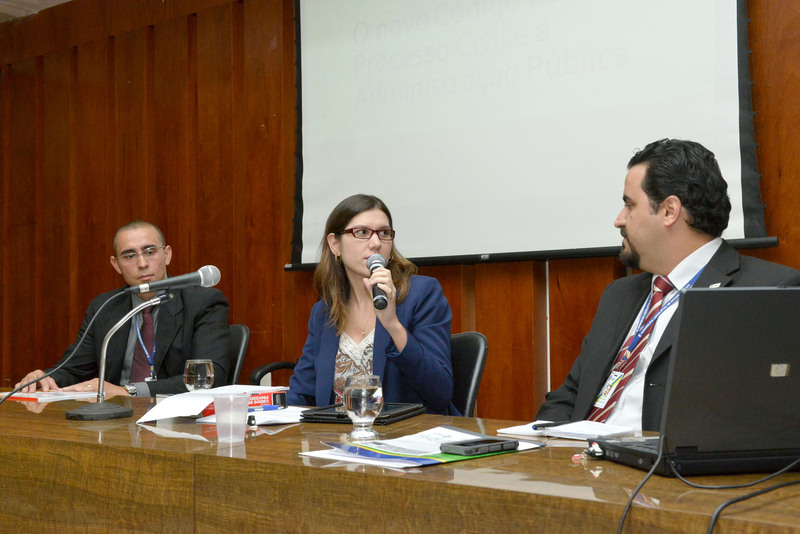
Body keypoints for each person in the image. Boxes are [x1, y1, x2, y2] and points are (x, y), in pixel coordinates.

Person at [536, 139, 800, 431]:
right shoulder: (619, 294)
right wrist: (540, 444)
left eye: (629, 205)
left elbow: (759, 419)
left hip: (658, 456)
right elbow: (570, 395)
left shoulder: (766, 292)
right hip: (579, 453)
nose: (619, 220)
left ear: (669, 211)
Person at [16, 220, 231, 397]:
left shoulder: (203, 302)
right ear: (116, 264)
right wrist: (46, 378)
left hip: (177, 420)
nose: (142, 263)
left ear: (167, 255)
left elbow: (208, 378)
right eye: (129, 256)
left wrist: (128, 391)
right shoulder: (105, 307)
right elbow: (74, 369)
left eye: (149, 252)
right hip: (113, 417)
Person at [288, 194, 457, 414]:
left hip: (406, 432)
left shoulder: (421, 294)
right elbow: (301, 393)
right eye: (362, 232)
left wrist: (393, 324)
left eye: (384, 233)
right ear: (335, 244)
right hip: (337, 434)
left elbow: (440, 392)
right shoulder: (324, 312)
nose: (376, 243)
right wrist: (261, 410)